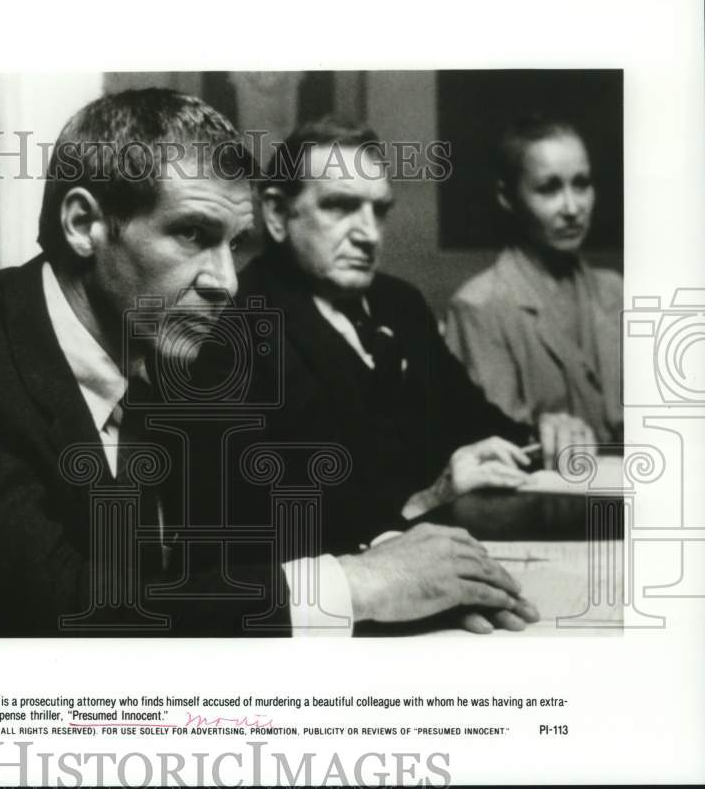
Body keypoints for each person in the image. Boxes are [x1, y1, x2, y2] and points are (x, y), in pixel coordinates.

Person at [0, 90, 537, 638]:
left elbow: (271, 504)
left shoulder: (168, 343)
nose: (224, 278)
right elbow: (69, 612)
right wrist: (357, 587)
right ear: (83, 223)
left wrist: (405, 555)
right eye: (193, 234)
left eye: (235, 242)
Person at [197, 118, 592, 576]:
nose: (368, 234)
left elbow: (473, 420)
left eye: (378, 210)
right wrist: (427, 499)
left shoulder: (400, 303)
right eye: (341, 207)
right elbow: (258, 537)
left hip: (456, 560)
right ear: (277, 215)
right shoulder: (232, 332)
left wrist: (540, 433)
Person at [446, 114, 622, 444]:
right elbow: (492, 446)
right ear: (507, 197)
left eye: (581, 184)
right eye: (549, 188)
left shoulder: (616, 291)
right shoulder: (479, 308)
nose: (572, 207)